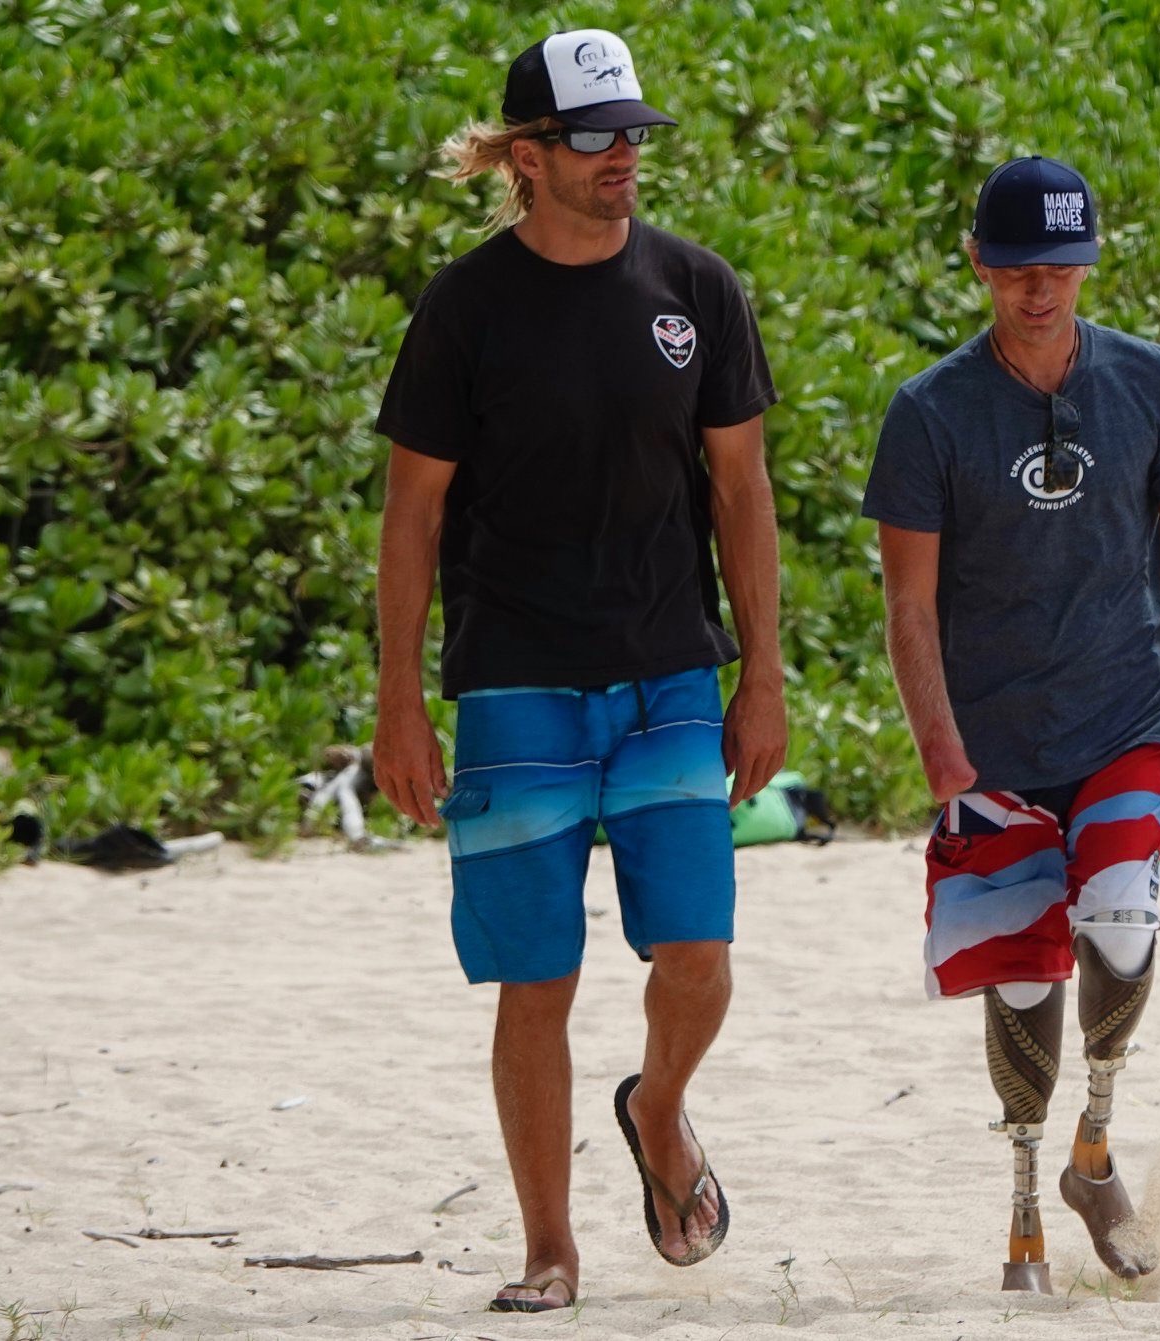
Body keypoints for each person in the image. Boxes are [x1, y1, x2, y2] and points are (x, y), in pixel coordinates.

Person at [369, 28, 783, 1314]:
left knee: (697, 952)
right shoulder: (464, 308)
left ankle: (657, 1109)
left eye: (633, 135)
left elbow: (741, 490)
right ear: (526, 157)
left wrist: (763, 675)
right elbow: (412, 515)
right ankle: (549, 1250)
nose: (623, 158)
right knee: (534, 979)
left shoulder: (695, 288)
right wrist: (397, 704)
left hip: (669, 675)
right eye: (594, 137)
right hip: (513, 686)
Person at [862, 155, 1160, 1294]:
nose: (1038, 289)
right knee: (1023, 981)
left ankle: (1095, 1145)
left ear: (1088, 264)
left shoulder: (1155, 384)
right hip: (991, 743)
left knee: (1122, 923)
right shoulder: (928, 412)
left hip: (1124, 716)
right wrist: (940, 751)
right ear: (979, 264)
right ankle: (1025, 1207)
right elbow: (907, 606)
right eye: (1016, 268)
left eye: (1060, 266)